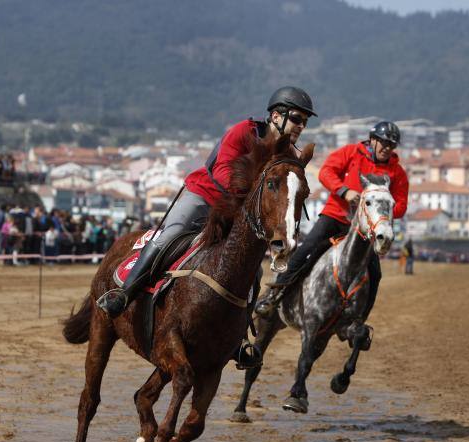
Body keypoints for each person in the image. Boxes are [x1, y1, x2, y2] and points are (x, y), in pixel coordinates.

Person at [96, 86, 317, 318]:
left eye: (304, 122)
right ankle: (124, 293)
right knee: (171, 235)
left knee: (253, 271)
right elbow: (221, 168)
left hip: (239, 213)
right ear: (275, 116)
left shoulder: (288, 156)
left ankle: (240, 338)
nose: (301, 126)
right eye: (296, 119)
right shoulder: (244, 131)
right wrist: (247, 194)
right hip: (204, 196)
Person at [255, 121, 409, 320]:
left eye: (392, 145)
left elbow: (401, 206)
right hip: (334, 216)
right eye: (384, 142)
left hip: (362, 230)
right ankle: (273, 295)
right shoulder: (350, 152)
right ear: (373, 140)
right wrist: (344, 191)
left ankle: (359, 323)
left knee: (375, 273)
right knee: (305, 251)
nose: (387, 148)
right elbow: (326, 172)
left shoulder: (398, 173)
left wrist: (377, 214)